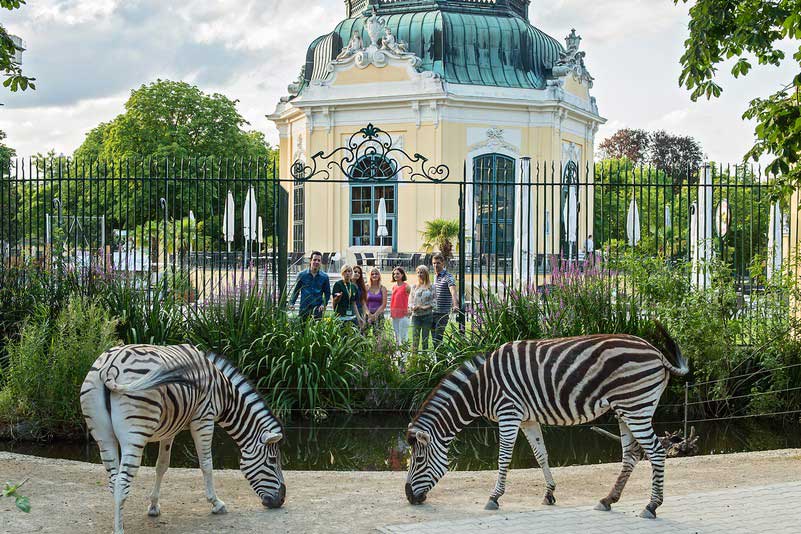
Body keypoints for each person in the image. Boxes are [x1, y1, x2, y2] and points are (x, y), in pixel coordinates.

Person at [289, 251, 331, 320]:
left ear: (321, 262)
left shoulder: (325, 277)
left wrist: (323, 304)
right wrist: (292, 303)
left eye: (318, 260)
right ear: (310, 261)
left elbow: (327, 293)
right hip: (304, 308)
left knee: (317, 330)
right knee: (302, 329)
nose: (316, 262)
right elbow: (296, 291)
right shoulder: (302, 275)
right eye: (314, 260)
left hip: (317, 310)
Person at [430, 252, 459, 347]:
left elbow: (453, 291)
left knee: (437, 338)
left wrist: (455, 305)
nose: (435, 265)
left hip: (442, 313)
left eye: (438, 263)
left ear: (443, 263)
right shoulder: (434, 276)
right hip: (433, 312)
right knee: (434, 339)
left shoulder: (448, 276)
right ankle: (440, 359)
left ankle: (442, 360)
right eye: (434, 263)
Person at [409, 265, 434, 356]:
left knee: (425, 339)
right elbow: (410, 301)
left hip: (427, 316)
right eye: (418, 272)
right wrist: (412, 307)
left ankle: (424, 360)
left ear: (426, 273)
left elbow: (434, 301)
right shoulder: (414, 287)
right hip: (416, 316)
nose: (419, 274)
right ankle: (414, 361)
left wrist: (425, 307)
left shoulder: (431, 287)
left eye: (421, 272)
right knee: (415, 339)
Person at [390, 266, 411, 348]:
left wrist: (409, 309)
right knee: (396, 336)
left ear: (402, 275)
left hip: (403, 314)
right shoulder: (394, 287)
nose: (395, 275)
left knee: (403, 336)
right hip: (394, 315)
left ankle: (404, 358)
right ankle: (398, 356)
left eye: (398, 274)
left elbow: (411, 299)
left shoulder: (407, 286)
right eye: (394, 274)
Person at [365, 267, 388, 338]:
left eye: (376, 274)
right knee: (364, 335)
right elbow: (363, 302)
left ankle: (378, 349)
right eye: (372, 274)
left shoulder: (383, 288)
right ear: (370, 276)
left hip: (379, 315)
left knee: (378, 337)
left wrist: (375, 315)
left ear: (379, 276)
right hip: (367, 315)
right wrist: (369, 314)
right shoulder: (366, 287)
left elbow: (384, 304)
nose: (374, 275)